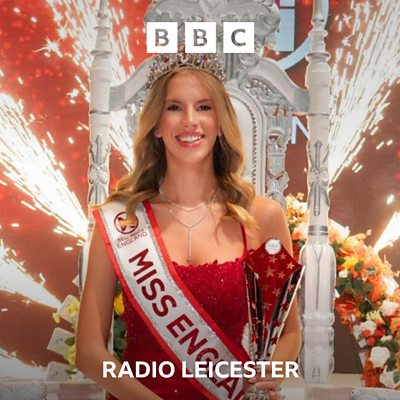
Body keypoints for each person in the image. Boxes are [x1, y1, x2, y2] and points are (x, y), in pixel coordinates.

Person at [76, 50, 302, 400]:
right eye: (174, 107)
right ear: (156, 125)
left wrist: (269, 376)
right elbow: (90, 354)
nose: (190, 121)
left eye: (204, 107)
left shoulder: (263, 217)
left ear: (220, 123)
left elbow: (289, 333)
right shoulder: (122, 219)